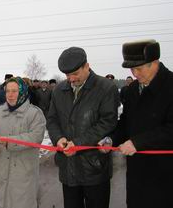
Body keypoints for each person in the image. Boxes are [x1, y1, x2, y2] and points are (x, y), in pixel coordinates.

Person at [47, 47, 119, 208]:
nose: (71, 79)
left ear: (87, 66)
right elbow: (52, 120)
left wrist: (78, 143)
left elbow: (108, 122)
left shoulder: (106, 88)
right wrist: (59, 138)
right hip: (68, 168)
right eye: (67, 75)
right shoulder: (59, 90)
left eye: (75, 74)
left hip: (94, 167)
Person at [111, 39, 173, 208]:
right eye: (132, 69)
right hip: (137, 172)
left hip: (164, 173)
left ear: (154, 62)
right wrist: (111, 139)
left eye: (138, 68)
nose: (135, 73)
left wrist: (137, 142)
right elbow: (126, 121)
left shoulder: (170, 86)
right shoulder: (132, 90)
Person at [0, 77, 46, 208]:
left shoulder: (34, 114)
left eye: (14, 91)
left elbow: (36, 137)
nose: (10, 95)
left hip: (23, 171)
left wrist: (10, 142)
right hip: (1, 169)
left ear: (22, 92)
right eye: (7, 91)